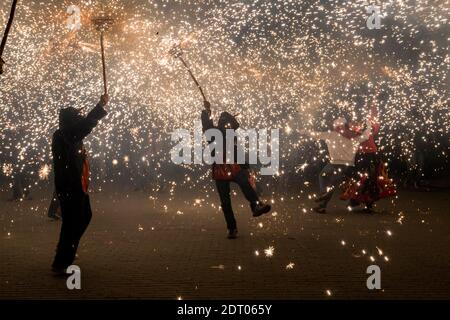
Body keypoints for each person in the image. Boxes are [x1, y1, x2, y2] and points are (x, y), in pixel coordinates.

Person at [51, 94, 108, 274]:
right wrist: (99, 106)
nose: (80, 119)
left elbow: (82, 128)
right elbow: (84, 127)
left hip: (77, 186)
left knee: (84, 216)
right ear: (70, 121)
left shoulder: (71, 135)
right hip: (69, 187)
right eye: (77, 117)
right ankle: (61, 262)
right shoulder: (63, 135)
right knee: (71, 223)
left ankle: (65, 249)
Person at [201, 101, 271, 239]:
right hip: (220, 171)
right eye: (226, 123)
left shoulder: (231, 133)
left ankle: (256, 206)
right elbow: (206, 123)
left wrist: (245, 166)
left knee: (246, 183)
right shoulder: (213, 133)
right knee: (225, 202)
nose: (229, 127)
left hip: (234, 168)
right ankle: (232, 228)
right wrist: (207, 111)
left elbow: (235, 130)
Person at [302, 117, 372, 213]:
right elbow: (366, 136)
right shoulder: (353, 136)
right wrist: (369, 126)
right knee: (330, 184)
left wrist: (303, 131)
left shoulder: (331, 135)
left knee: (324, 178)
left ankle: (323, 199)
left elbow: (315, 135)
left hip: (335, 163)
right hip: (347, 165)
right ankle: (323, 202)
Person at [341, 102, 396, 211]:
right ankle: (357, 200)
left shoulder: (366, 124)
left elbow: (373, 122)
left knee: (371, 179)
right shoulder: (352, 128)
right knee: (360, 178)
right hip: (361, 155)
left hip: (370, 155)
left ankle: (366, 203)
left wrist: (373, 106)